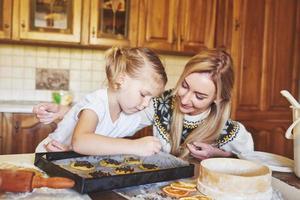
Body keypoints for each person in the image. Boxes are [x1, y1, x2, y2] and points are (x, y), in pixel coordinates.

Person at [34, 49, 253, 160]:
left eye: (199, 96)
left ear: (218, 99)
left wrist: (219, 155)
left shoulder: (231, 132)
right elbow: (104, 118)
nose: (185, 99)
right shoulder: (157, 104)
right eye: (184, 85)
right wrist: (68, 114)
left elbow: (252, 166)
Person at [34, 47, 168, 157]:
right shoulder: (97, 101)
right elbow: (80, 141)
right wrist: (135, 146)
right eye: (144, 95)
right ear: (121, 79)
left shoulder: (129, 115)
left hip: (69, 159)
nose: (146, 104)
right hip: (48, 156)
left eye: (151, 99)